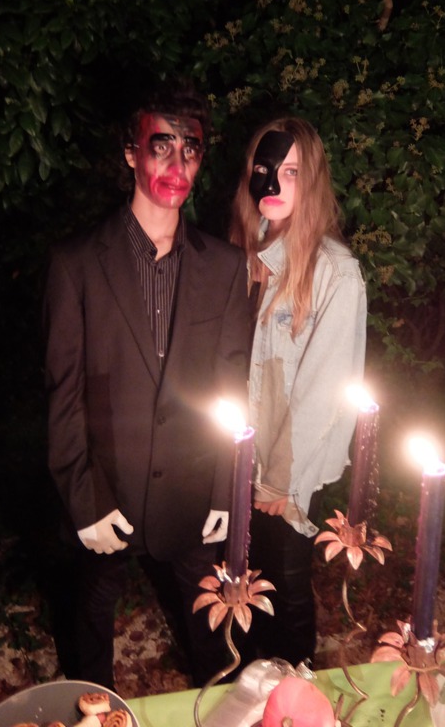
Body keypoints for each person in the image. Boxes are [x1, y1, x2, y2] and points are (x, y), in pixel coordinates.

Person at [43, 77, 251, 689]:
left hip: (191, 492)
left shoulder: (224, 266)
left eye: (191, 150)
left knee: (216, 641)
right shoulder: (76, 264)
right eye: (161, 146)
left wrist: (226, 486)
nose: (177, 165)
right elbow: (63, 393)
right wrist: (82, 498)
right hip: (104, 489)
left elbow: (232, 386)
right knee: (89, 627)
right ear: (131, 152)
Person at [229, 116, 367, 666]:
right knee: (243, 587)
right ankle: (250, 686)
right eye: (264, 169)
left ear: (312, 181)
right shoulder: (244, 255)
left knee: (284, 589)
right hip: (238, 458)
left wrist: (281, 479)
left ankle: (294, 690)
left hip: (286, 469)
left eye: (290, 172)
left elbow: (323, 390)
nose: (274, 183)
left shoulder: (335, 272)